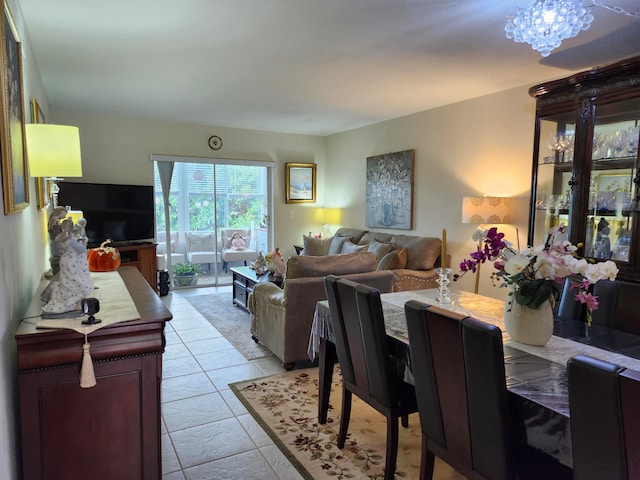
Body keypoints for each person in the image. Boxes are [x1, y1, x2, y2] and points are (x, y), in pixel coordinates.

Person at [42, 217, 95, 314]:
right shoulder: (70, 239)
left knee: (68, 280)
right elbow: (81, 249)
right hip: (73, 262)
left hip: (65, 260)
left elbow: (61, 249)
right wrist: (84, 242)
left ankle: (74, 299)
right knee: (78, 281)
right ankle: (77, 302)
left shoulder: (59, 237)